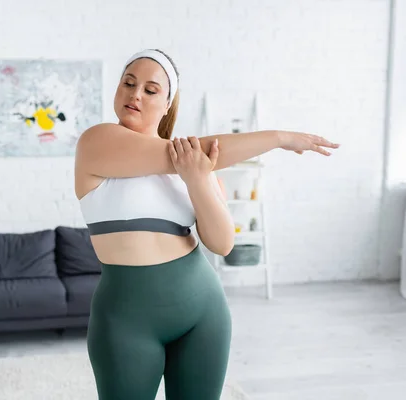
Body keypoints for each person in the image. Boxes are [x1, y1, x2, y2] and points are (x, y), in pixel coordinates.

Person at [74, 49, 339, 400]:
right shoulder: (97, 141)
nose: (135, 94)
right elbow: (187, 154)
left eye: (150, 90)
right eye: (128, 83)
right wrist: (278, 138)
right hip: (126, 322)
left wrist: (198, 180)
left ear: (168, 103)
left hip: (203, 313)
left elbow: (222, 243)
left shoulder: (195, 166)